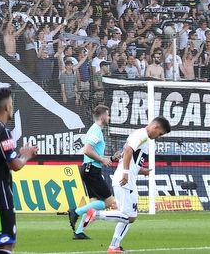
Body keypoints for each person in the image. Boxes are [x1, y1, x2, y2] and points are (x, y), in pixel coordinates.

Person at [81, 116, 172, 253]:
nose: (158, 137)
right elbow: (128, 150)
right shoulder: (141, 134)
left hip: (127, 178)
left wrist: (139, 170)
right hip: (124, 179)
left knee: (129, 215)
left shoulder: (143, 137)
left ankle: (114, 246)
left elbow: (128, 156)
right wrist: (126, 172)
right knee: (129, 217)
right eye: (160, 134)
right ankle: (95, 214)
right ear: (155, 127)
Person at [0, 85, 38, 254]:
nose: (12, 106)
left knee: (3, 242)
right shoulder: (2, 132)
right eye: (11, 103)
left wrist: (20, 155)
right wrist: (25, 156)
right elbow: (15, 165)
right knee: (6, 244)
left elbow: (0, 158)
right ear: (6, 107)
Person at [68, 105, 120, 239]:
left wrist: (112, 158)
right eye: (108, 115)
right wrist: (103, 160)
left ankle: (79, 232)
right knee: (108, 202)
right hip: (92, 170)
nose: (109, 117)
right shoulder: (96, 131)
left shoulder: (94, 129)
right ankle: (76, 211)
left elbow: (92, 153)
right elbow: (87, 150)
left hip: (88, 169)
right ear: (102, 117)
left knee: (93, 204)